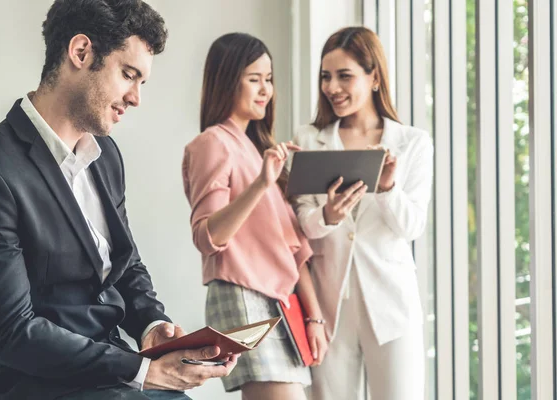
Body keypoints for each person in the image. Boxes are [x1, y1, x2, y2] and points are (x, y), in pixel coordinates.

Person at [0, 1, 237, 399]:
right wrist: (144, 371)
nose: (136, 97)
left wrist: (153, 327)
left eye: (142, 82)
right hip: (30, 386)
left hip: (110, 374)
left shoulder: (106, 157)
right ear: (81, 52)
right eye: (128, 74)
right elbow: (11, 333)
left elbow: (125, 264)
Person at [182, 33, 328, 400]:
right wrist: (261, 184)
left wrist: (314, 317)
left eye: (269, 79)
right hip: (244, 293)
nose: (266, 90)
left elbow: (294, 249)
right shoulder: (212, 143)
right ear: (227, 80)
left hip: (280, 301)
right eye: (254, 79)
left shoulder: (259, 150)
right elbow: (207, 236)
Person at [291, 27, 433, 400]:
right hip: (328, 308)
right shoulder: (307, 139)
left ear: (374, 77)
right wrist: (329, 215)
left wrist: (387, 189)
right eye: (326, 76)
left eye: (344, 75)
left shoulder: (412, 142)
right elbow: (300, 227)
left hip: (392, 306)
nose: (332, 87)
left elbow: (413, 225)